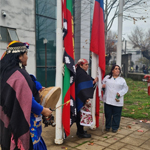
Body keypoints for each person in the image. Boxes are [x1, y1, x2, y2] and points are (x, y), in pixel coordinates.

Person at [0, 41, 52, 150]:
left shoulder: (6, 71)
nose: (27, 57)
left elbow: (29, 82)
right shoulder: (19, 76)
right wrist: (43, 110)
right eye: (26, 54)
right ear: (19, 56)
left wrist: (37, 86)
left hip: (9, 120)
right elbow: (26, 100)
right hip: (23, 121)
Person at [75, 58, 98, 138]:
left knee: (80, 115)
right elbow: (82, 87)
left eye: (88, 64)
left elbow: (87, 82)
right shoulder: (80, 73)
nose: (87, 66)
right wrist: (85, 97)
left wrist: (93, 81)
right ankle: (81, 132)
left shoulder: (80, 72)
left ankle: (80, 131)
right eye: (86, 64)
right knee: (81, 115)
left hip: (79, 96)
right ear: (81, 65)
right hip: (81, 97)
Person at [102, 65, 128, 133]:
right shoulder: (107, 78)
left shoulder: (122, 80)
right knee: (108, 114)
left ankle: (115, 127)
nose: (117, 70)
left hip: (117, 100)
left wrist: (120, 93)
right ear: (112, 70)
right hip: (108, 99)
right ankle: (107, 126)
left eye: (118, 69)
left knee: (116, 115)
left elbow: (125, 88)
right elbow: (102, 83)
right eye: (116, 69)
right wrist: (103, 86)